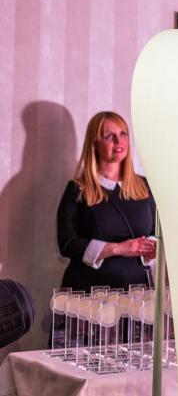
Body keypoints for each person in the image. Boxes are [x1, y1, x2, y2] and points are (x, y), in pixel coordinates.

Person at [56, 111, 156, 292]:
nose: (118, 141)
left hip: (137, 292)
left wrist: (151, 248)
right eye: (110, 136)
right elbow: (67, 243)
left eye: (123, 134)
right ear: (95, 143)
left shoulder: (144, 186)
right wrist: (118, 248)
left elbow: (156, 232)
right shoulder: (78, 189)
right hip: (88, 293)